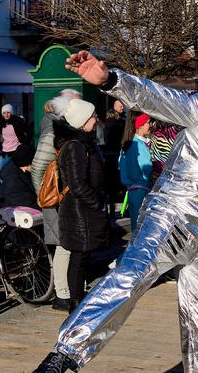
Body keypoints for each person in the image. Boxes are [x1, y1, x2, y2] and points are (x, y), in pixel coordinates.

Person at [34, 34, 198, 373]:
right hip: (175, 214)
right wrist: (112, 79)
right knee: (132, 274)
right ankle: (65, 353)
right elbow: (158, 97)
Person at [54, 99, 110, 313]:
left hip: (83, 209)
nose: (96, 120)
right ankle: (75, 304)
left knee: (82, 257)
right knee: (79, 256)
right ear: (82, 121)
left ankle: (77, 300)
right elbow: (77, 184)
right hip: (80, 210)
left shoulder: (84, 143)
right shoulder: (76, 147)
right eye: (93, 116)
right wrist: (97, 203)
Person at [31, 89, 82, 311]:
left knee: (67, 244)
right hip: (56, 198)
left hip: (61, 196)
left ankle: (68, 288)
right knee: (63, 244)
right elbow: (38, 166)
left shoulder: (63, 125)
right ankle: (62, 293)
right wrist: (45, 195)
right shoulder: (54, 127)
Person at [118, 112, 153, 232]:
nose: (151, 125)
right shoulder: (139, 145)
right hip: (142, 191)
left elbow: (121, 166)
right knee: (142, 231)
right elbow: (147, 168)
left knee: (135, 229)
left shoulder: (127, 144)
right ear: (140, 125)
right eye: (148, 123)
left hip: (131, 192)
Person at [0, 104, 30, 174]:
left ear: (11, 113)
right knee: (1, 171)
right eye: (4, 113)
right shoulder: (0, 123)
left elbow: (27, 133)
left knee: (17, 172)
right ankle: (5, 184)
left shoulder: (17, 122)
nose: (6, 115)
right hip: (4, 151)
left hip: (16, 151)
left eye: (8, 112)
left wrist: (22, 144)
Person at [0, 144, 38, 209]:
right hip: (24, 213)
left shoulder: (18, 170)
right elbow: (25, 204)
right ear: (26, 165)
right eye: (32, 164)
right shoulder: (12, 180)